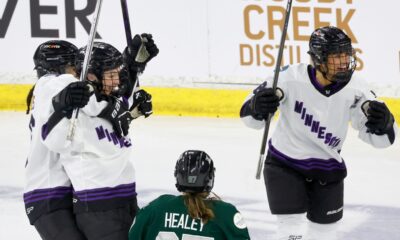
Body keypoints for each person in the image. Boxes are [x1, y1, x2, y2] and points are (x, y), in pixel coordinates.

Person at [240, 26, 398, 240]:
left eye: (346, 54)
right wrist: (257, 107)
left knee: (325, 234)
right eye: (336, 56)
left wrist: (384, 124)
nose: (344, 61)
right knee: (290, 230)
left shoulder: (357, 88)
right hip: (284, 162)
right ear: (318, 59)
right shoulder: (288, 77)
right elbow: (249, 119)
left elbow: (382, 141)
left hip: (327, 168)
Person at [41, 36, 158, 240]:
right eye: (111, 75)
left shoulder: (107, 103)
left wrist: (134, 63)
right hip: (99, 207)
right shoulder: (78, 110)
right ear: (91, 75)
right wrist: (63, 106)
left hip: (125, 200)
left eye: (117, 74)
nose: (116, 81)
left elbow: (119, 102)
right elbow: (51, 139)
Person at [24, 40, 91, 240]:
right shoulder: (50, 83)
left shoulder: (46, 91)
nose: (78, 71)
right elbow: (74, 86)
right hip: (47, 193)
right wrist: (128, 69)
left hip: (57, 191)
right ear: (57, 67)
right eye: (74, 66)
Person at [128, 150, 251, 240]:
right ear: (210, 178)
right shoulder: (226, 213)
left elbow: (133, 236)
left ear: (178, 176)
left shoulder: (156, 207)